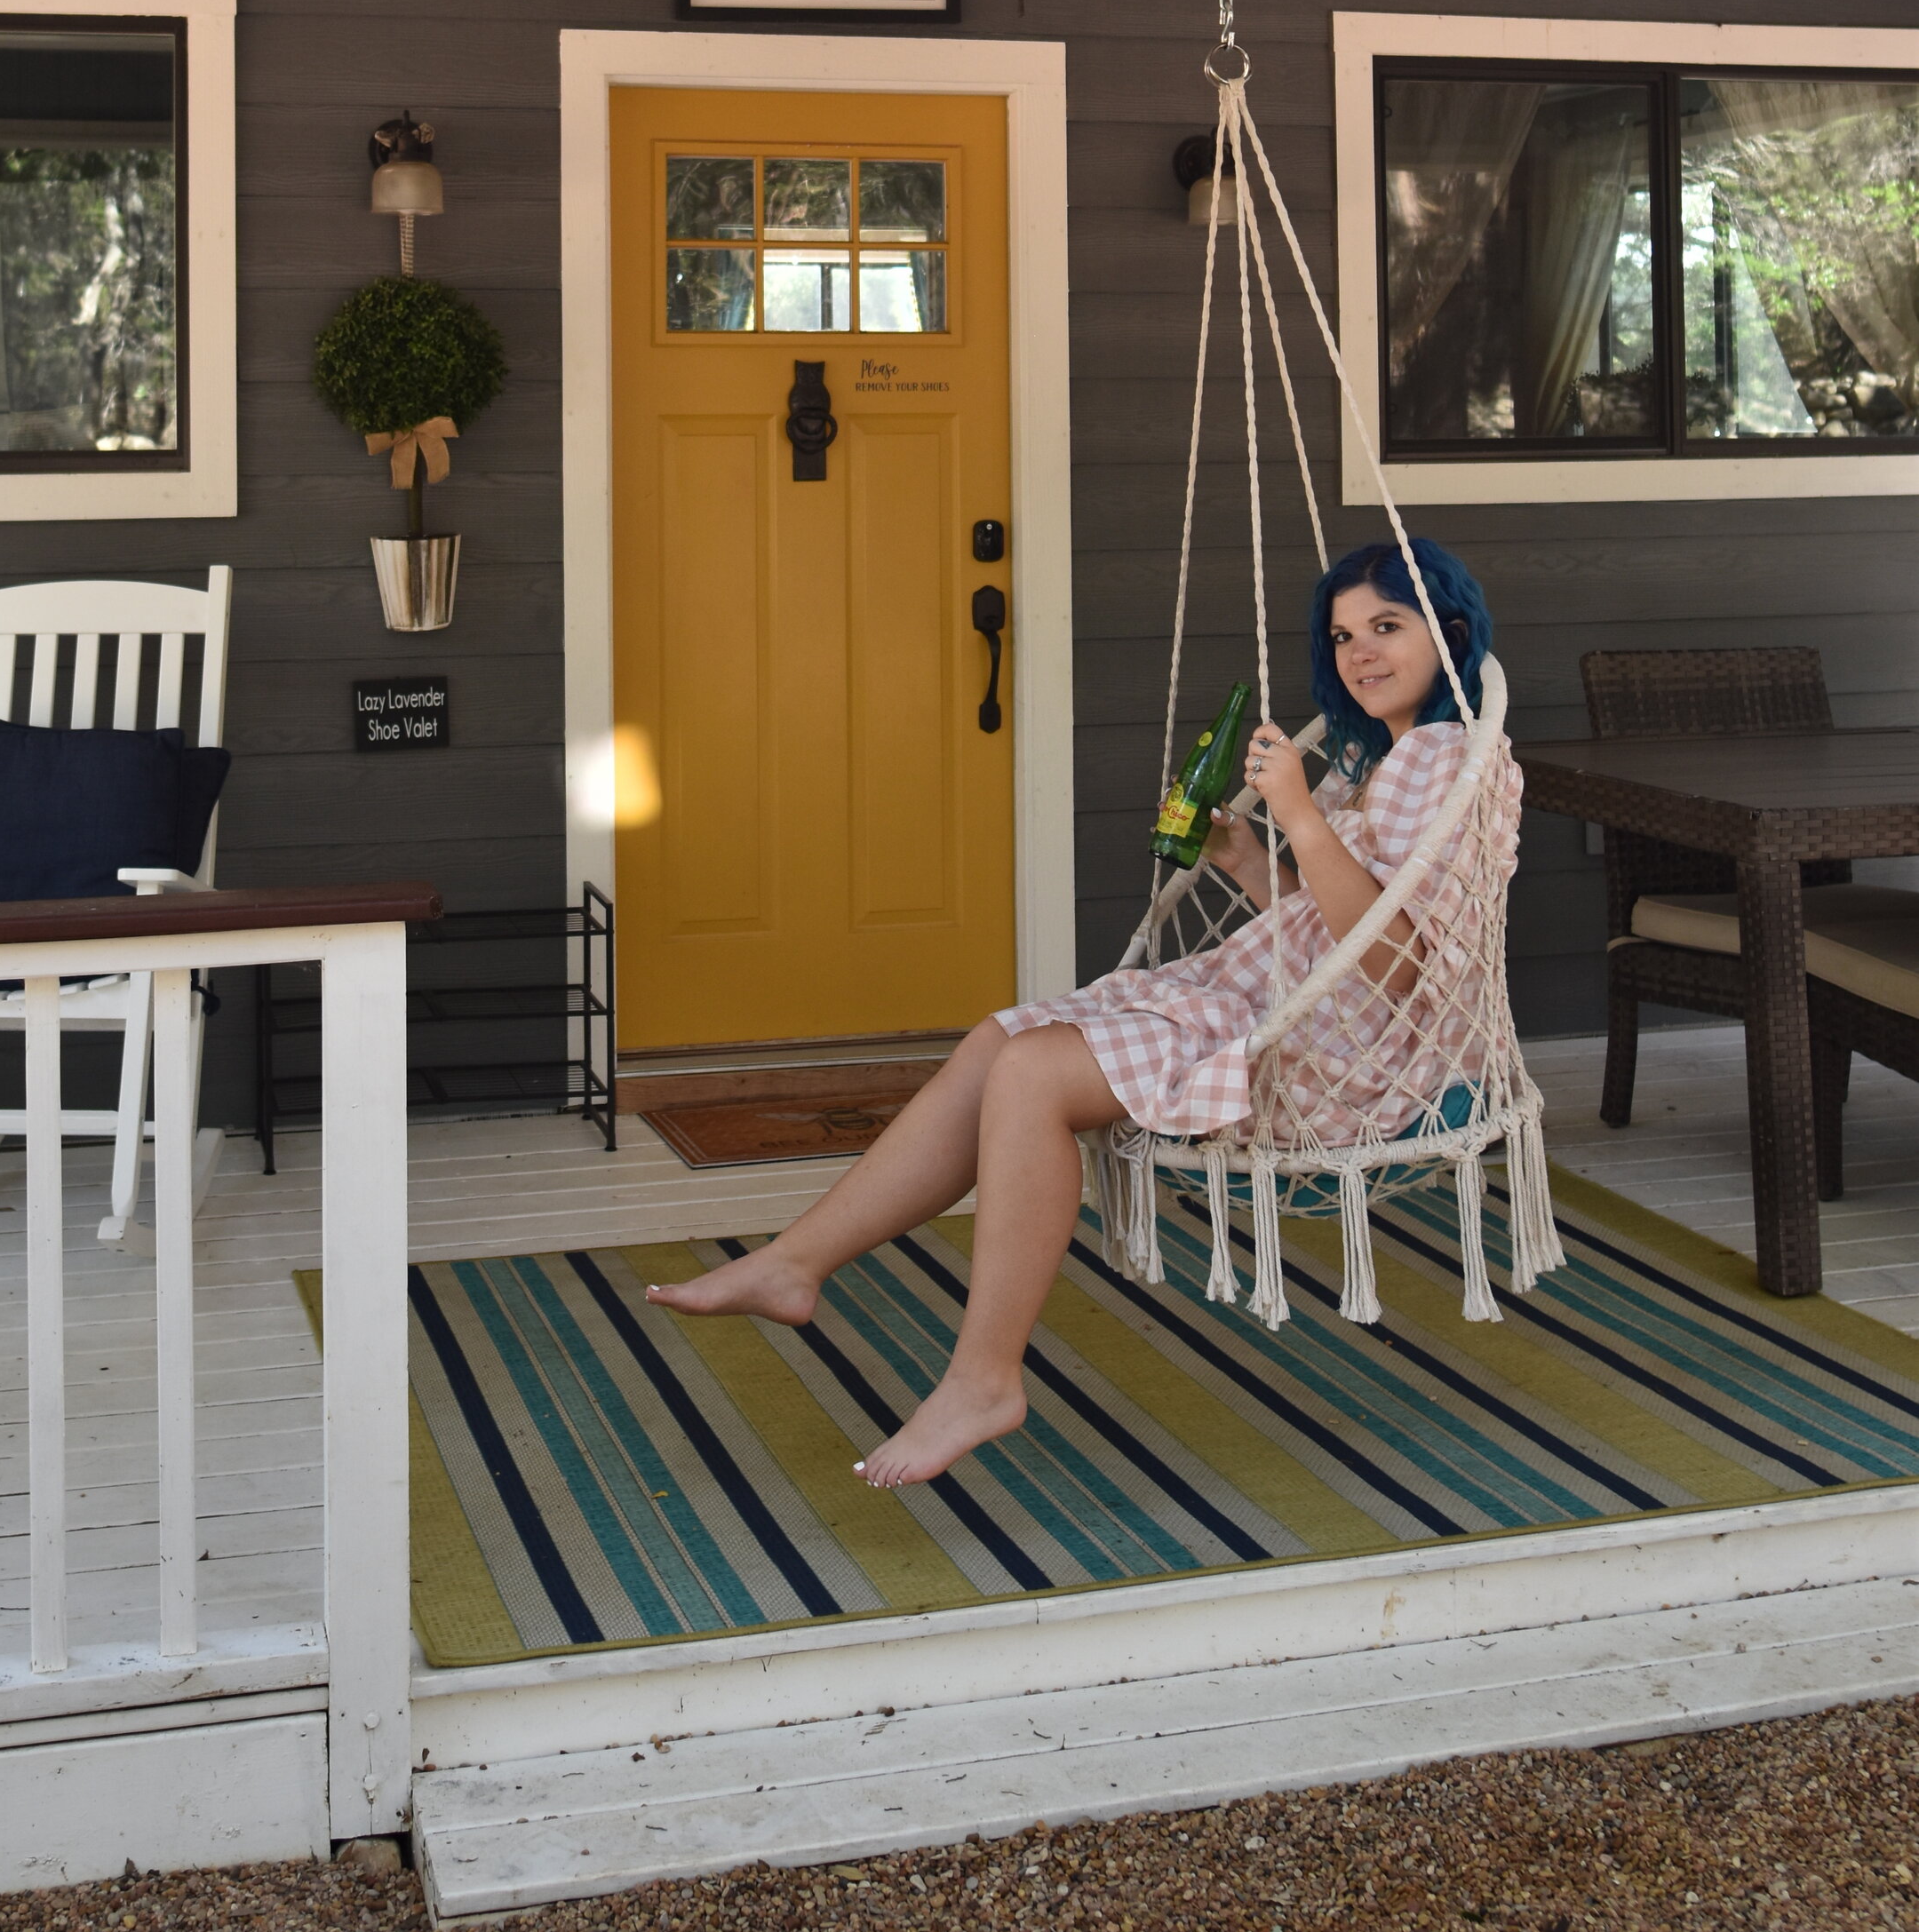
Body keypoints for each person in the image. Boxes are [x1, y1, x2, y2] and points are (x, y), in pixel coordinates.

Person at [647, 537, 1516, 1487]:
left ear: (1451, 633)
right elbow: (1326, 931)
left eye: (1386, 627)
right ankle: (795, 1263)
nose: (1359, 653)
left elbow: (1391, 967)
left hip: (1351, 1056)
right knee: (1001, 1039)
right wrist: (1242, 857)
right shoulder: (1385, 759)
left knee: (1029, 1073)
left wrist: (1300, 818)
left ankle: (983, 1380)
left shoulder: (1443, 759)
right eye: (1345, 634)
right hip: (1291, 1005)